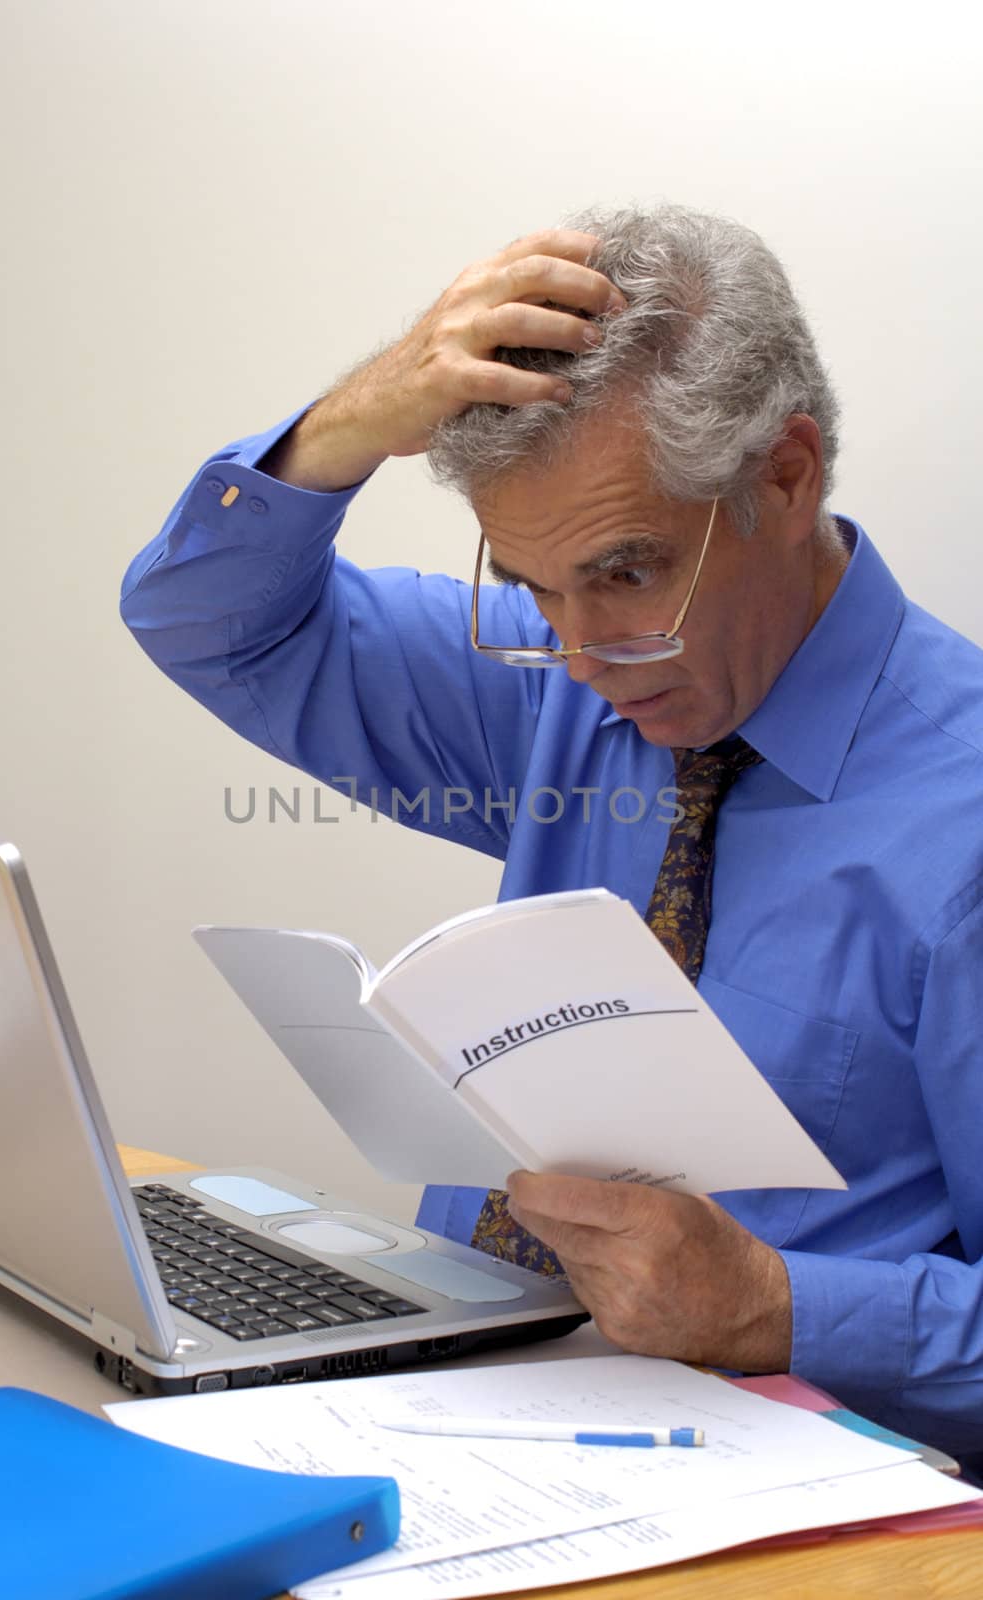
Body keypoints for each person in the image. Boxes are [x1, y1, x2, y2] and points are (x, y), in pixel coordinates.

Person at [121, 205, 983, 1465]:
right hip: (459, 1429)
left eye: (626, 573)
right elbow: (210, 621)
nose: (576, 655)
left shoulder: (957, 828)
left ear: (784, 478)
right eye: (530, 587)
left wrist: (778, 1306)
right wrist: (363, 412)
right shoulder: (565, 679)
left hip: (792, 1510)